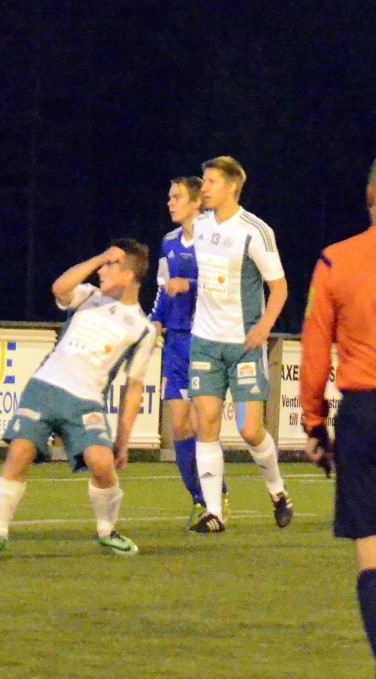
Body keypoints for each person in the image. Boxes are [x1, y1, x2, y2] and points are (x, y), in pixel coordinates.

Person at [0, 239, 156, 556]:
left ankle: (107, 531)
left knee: (101, 463)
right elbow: (60, 288)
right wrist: (99, 257)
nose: (101, 271)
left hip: (85, 401)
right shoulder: (89, 296)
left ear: (128, 275)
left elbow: (134, 386)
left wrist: (123, 440)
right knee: (20, 453)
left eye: (109, 266)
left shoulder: (143, 328)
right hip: (44, 388)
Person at [188, 156, 291, 533]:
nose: (204, 187)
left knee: (249, 429)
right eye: (203, 181)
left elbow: (279, 288)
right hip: (205, 342)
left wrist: (264, 327)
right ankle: (214, 512)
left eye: (211, 181)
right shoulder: (199, 224)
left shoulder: (254, 231)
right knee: (206, 424)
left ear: (232, 187)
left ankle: (278, 491)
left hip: (244, 343)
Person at [300, 158, 376, 662]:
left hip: (364, 416)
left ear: (369, 198)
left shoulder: (335, 261)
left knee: (371, 554)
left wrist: (314, 423)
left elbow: (314, 349)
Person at [150, 177, 228, 528]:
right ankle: (199, 499)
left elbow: (225, 284)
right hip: (176, 343)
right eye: (169, 197)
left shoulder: (214, 239)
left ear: (197, 203)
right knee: (179, 426)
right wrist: (156, 320)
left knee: (201, 423)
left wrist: (191, 285)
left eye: (177, 197)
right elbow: (162, 289)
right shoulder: (168, 242)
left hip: (205, 340)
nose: (170, 202)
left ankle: (216, 497)